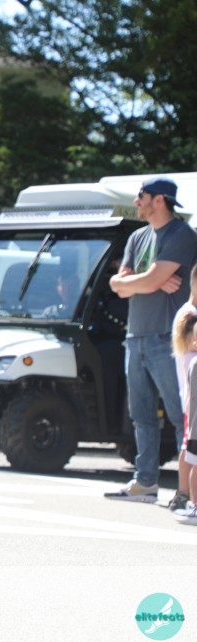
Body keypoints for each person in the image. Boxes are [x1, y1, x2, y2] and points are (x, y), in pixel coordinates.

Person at [104, 176, 197, 502]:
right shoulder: (137, 237)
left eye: (141, 196)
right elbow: (116, 285)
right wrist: (149, 281)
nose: (136, 202)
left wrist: (144, 281)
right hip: (136, 337)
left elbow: (144, 280)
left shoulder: (182, 235)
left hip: (168, 338)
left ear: (159, 200)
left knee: (181, 417)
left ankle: (186, 492)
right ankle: (145, 483)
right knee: (140, 416)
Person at [168, 264, 197, 512]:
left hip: (189, 394)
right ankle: (184, 493)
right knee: (190, 447)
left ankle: (185, 493)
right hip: (192, 396)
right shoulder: (189, 314)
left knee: (189, 445)